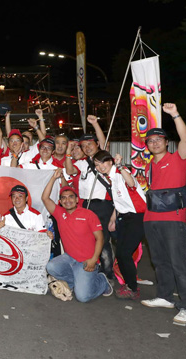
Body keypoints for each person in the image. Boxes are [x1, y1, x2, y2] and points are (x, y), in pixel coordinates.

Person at [139, 104, 186, 325]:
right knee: (159, 261)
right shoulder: (149, 165)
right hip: (151, 219)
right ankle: (164, 296)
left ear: (166, 143)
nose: (154, 143)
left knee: (178, 263)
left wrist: (175, 115)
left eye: (158, 140)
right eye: (151, 141)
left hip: (173, 220)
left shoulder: (177, 159)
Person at [42, 169, 113, 303]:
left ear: (76, 200)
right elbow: (45, 198)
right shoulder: (60, 213)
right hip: (69, 258)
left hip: (87, 261)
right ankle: (76, 280)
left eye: (70, 197)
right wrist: (53, 178)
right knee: (51, 267)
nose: (67, 200)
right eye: (63, 198)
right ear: (60, 202)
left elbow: (100, 238)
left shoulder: (88, 214)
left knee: (83, 297)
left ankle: (102, 281)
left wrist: (93, 260)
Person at [93, 150, 146, 300]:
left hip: (137, 217)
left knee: (124, 254)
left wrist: (121, 166)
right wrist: (113, 218)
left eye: (102, 162)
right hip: (124, 218)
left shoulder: (120, 173)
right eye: (96, 164)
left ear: (110, 162)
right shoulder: (111, 178)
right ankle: (129, 285)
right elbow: (120, 201)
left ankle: (133, 288)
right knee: (121, 254)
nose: (100, 166)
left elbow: (131, 183)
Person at [64, 129, 115, 280]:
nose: (87, 147)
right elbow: (69, 169)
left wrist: (95, 124)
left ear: (97, 144)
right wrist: (68, 152)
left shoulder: (104, 159)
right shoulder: (82, 163)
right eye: (83, 145)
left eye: (90, 144)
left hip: (102, 205)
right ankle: (90, 268)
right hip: (86, 204)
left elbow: (103, 140)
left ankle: (107, 273)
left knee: (102, 239)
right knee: (88, 239)